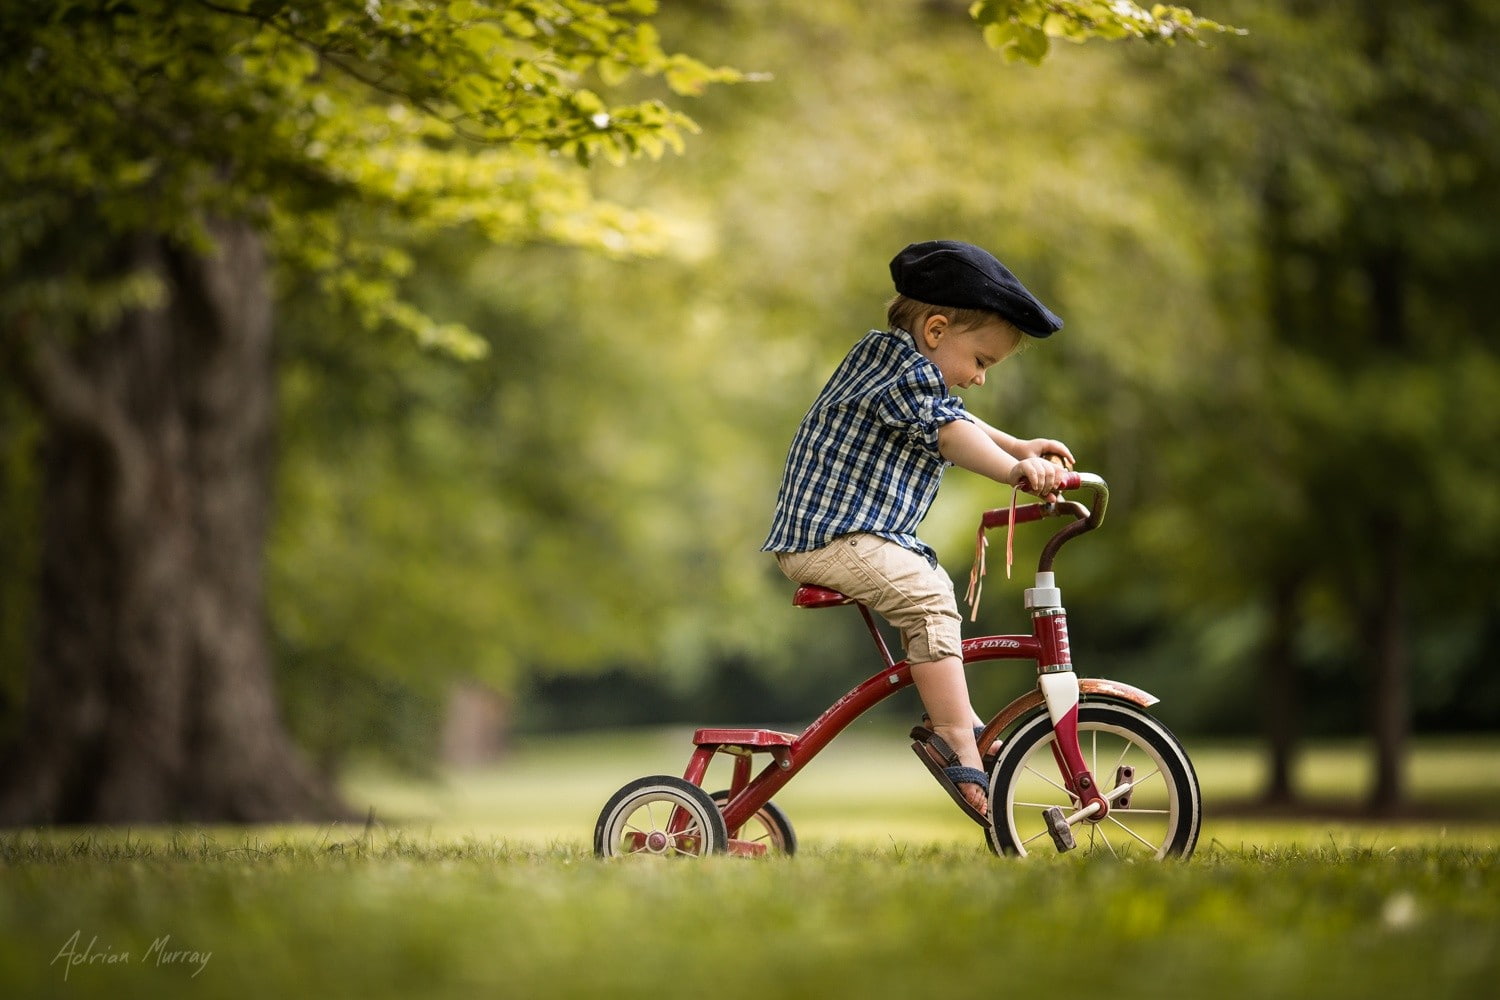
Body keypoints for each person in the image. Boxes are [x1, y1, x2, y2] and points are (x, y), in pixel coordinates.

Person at [762, 239, 1074, 821]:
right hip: (830, 539)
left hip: (843, 535)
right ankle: (955, 733)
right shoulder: (901, 377)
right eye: (980, 362)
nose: (979, 379)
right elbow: (950, 434)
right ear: (935, 331)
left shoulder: (893, 361)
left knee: (927, 584)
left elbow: (954, 417)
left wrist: (1017, 445)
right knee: (930, 597)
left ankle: (956, 718)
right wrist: (1016, 471)